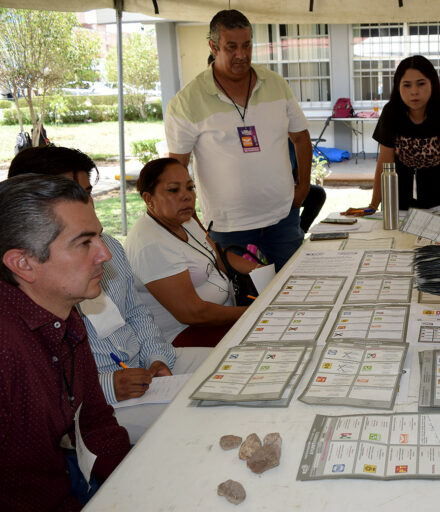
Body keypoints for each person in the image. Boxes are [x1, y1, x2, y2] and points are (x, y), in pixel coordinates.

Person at [7, 146, 211, 443]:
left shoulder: (107, 246)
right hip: (98, 399)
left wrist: (156, 356)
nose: (85, 202)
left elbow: (136, 312)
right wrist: (106, 384)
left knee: (229, 366)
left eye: (87, 192)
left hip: (143, 364)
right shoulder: (33, 281)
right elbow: (49, 385)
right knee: (203, 411)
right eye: (70, 192)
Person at [0, 174, 131, 510]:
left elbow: (95, 424)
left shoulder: (63, 314)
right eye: (85, 242)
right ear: (23, 263)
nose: (105, 254)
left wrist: (140, 487)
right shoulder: (6, 348)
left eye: (99, 236)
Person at [165, 9, 312, 271]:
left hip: (282, 217)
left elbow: (301, 138)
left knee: (296, 284)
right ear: (213, 47)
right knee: (239, 294)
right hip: (228, 226)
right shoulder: (187, 101)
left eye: (247, 45)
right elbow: (177, 168)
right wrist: (191, 219)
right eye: (231, 47)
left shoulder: (275, 84)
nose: (241, 55)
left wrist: (303, 188)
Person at [124, 158, 260, 346]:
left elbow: (218, 256)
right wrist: (255, 312)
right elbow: (192, 313)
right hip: (182, 334)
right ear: (148, 199)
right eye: (173, 190)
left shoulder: (184, 220)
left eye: (190, 187)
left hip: (221, 317)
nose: (187, 196)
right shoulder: (151, 244)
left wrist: (262, 271)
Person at [349, 55, 440, 219]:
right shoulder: (391, 113)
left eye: (421, 84)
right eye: (407, 85)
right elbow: (385, 162)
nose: (414, 91)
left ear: (432, 83)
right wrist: (373, 205)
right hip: (399, 200)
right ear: (398, 86)